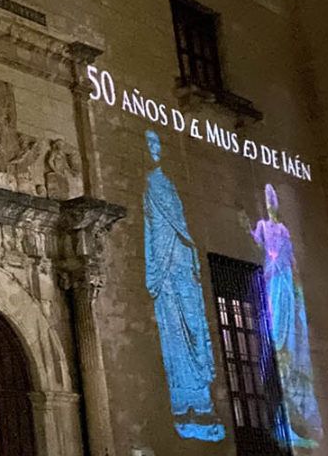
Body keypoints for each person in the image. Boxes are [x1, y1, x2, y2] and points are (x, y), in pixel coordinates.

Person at [142, 130, 225, 441]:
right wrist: (154, 270)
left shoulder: (170, 186)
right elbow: (150, 230)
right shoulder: (148, 186)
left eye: (156, 143)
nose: (154, 148)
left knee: (192, 329)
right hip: (165, 272)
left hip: (182, 265)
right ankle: (184, 404)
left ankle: (202, 403)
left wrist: (188, 259)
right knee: (174, 338)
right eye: (149, 144)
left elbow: (183, 228)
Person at [244, 184, 323, 447]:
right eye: (268, 199)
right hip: (272, 277)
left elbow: (293, 261)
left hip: (285, 281)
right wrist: (244, 224)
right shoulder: (264, 227)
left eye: (273, 198)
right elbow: (255, 239)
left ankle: (300, 414)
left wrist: (298, 289)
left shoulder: (284, 230)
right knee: (277, 332)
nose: (271, 202)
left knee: (291, 334)